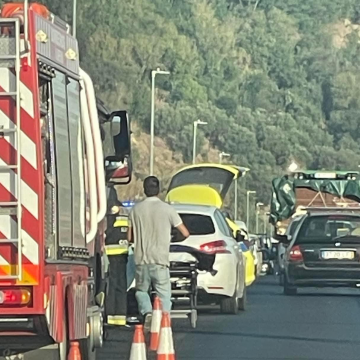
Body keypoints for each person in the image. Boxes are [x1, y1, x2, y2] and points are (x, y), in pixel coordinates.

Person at [127, 176, 189, 331]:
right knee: (164, 294)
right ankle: (163, 319)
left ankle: (147, 312)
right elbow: (185, 233)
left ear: (144, 189)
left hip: (141, 259)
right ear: (159, 190)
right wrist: (174, 237)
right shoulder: (168, 209)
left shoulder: (135, 210)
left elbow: (129, 237)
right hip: (160, 260)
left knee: (141, 291)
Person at [105, 184, 129, 326]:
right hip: (122, 253)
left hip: (108, 253)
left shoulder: (105, 213)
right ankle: (120, 317)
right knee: (120, 285)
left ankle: (110, 316)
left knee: (110, 286)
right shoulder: (125, 212)